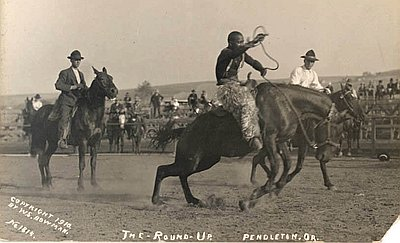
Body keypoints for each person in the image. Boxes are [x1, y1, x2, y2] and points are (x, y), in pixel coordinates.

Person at [215, 31, 267, 151]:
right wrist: (251, 43)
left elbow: (252, 62)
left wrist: (261, 68)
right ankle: (250, 138)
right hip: (226, 88)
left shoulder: (241, 54)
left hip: (236, 85)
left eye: (242, 42)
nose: (241, 44)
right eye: (239, 42)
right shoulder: (226, 53)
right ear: (230, 43)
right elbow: (235, 53)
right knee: (246, 103)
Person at [48, 50, 87, 149]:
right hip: (67, 101)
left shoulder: (81, 74)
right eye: (75, 60)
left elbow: (85, 87)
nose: (77, 62)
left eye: (79, 60)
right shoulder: (65, 72)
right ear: (71, 60)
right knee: (65, 118)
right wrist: (72, 87)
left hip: (78, 101)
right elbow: (58, 85)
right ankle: (62, 139)